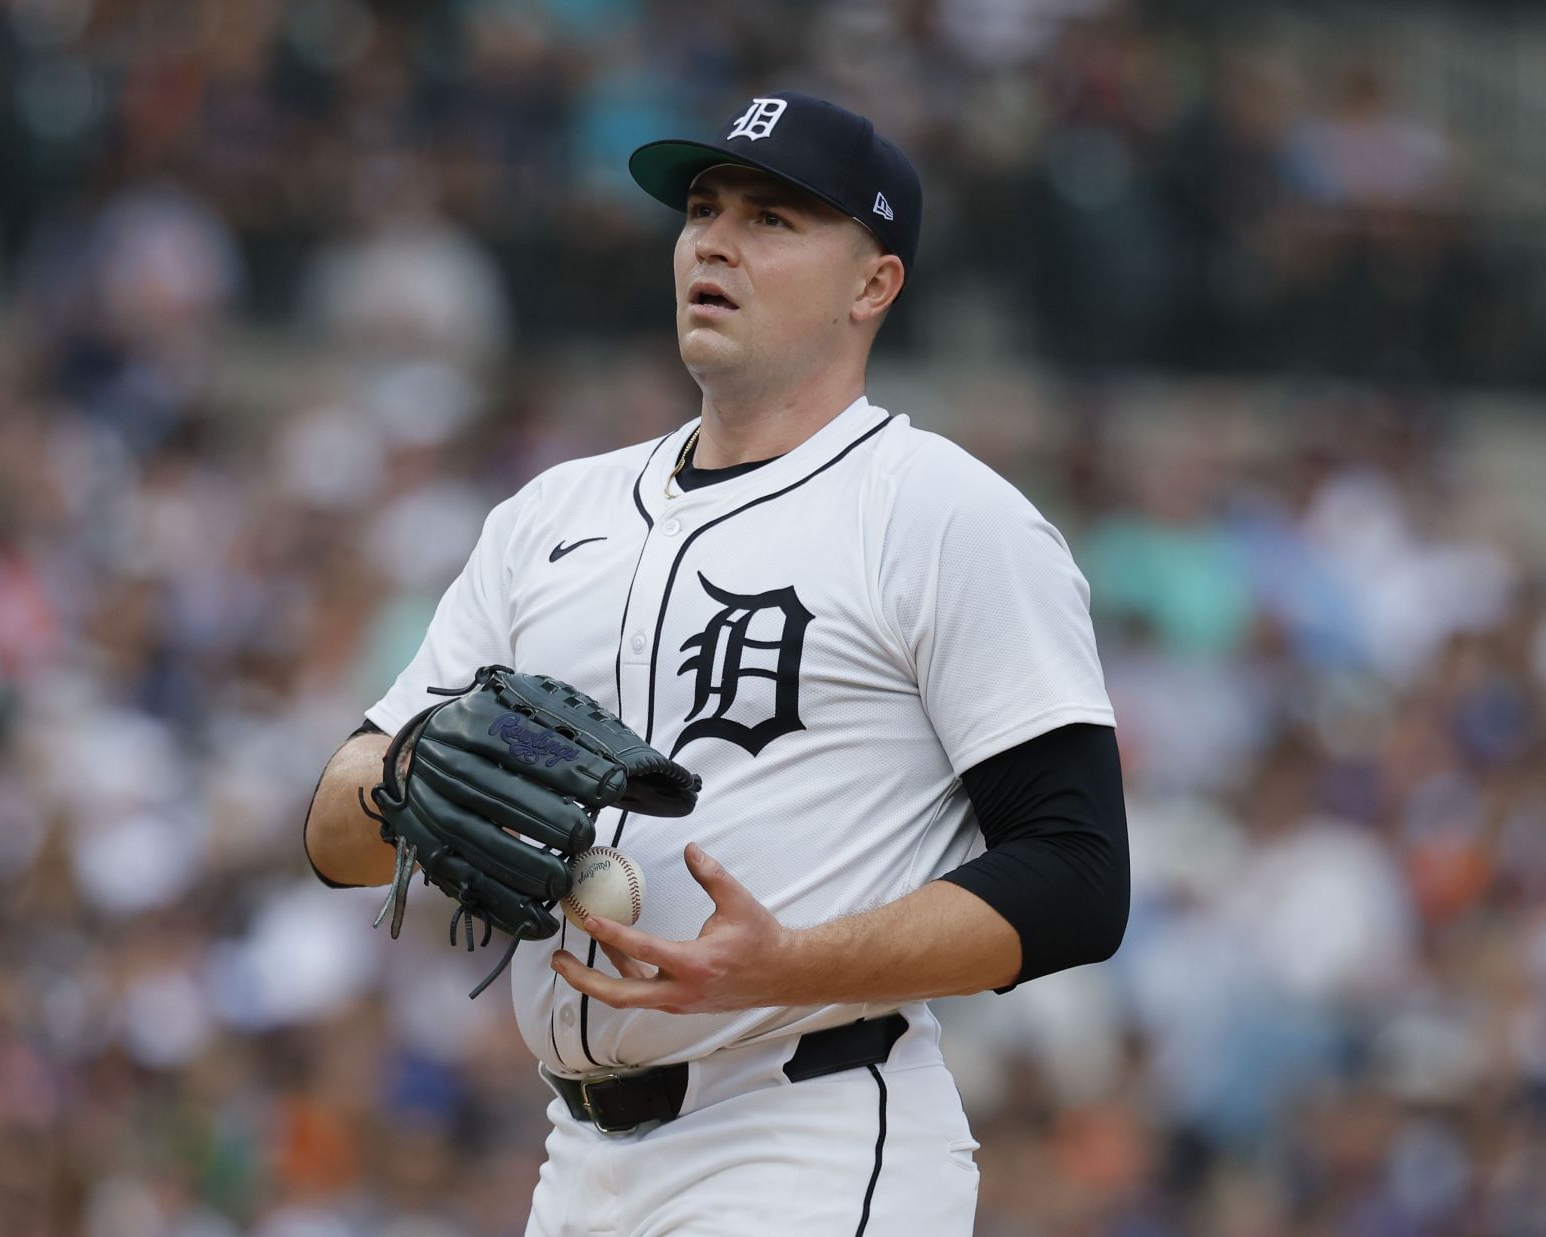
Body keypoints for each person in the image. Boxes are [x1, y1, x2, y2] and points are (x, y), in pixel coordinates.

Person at [304, 91, 1129, 1236]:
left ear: (873, 284)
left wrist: (791, 963)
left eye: (775, 218)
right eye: (703, 208)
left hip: (805, 1132)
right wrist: (409, 781)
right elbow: (334, 832)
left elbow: (1081, 876)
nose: (717, 240)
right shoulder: (551, 514)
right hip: (578, 1159)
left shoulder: (943, 515)